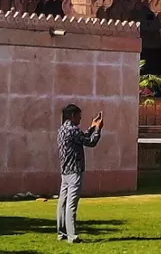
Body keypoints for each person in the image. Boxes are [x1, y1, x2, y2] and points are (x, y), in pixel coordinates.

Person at [55, 103, 103, 244]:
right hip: (74, 170)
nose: (80, 119)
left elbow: (81, 137)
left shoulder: (62, 130)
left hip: (65, 170)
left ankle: (61, 233)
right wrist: (98, 129)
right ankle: (72, 235)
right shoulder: (73, 130)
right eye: (79, 116)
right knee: (71, 203)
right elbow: (90, 142)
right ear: (72, 116)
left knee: (62, 203)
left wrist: (92, 127)